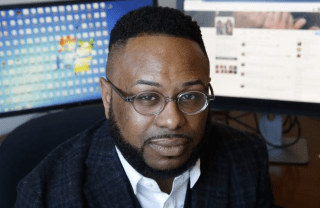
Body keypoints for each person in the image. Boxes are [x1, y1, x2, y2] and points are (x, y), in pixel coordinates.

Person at [14, 6, 274, 208]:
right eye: (148, 97)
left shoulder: (247, 157)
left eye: (190, 96)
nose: (172, 120)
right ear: (107, 99)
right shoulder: (45, 195)